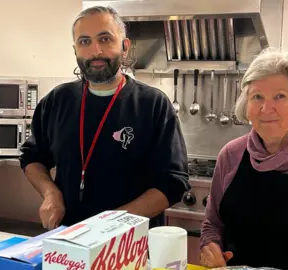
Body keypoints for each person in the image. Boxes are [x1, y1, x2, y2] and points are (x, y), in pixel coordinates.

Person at [19, 6, 190, 230]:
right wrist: (51, 193)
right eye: (84, 42)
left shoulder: (153, 104)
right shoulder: (57, 101)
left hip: (130, 245)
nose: (95, 51)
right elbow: (32, 157)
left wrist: (112, 223)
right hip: (68, 241)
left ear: (125, 47)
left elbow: (173, 182)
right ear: (75, 50)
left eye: (105, 39)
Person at [200, 48, 288, 269]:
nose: (266, 108)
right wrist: (210, 247)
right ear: (246, 104)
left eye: (280, 96)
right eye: (257, 97)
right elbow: (212, 224)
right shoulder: (230, 155)